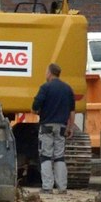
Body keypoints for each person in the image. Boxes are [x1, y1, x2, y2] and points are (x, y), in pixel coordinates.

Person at [32, 62, 80, 193]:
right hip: (62, 127)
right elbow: (72, 111)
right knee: (59, 157)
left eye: (46, 72)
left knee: (45, 156)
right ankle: (62, 187)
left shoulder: (45, 88)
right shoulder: (67, 89)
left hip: (47, 126)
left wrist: (36, 111)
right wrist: (70, 127)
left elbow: (35, 106)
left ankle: (47, 187)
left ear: (49, 73)